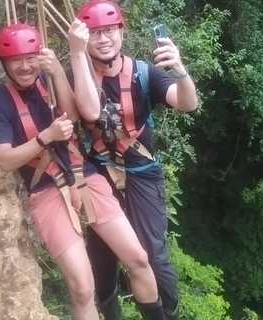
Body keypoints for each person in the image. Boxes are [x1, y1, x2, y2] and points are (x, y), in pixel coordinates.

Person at [0, 21, 167, 320]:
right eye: (15, 60)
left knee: (139, 259)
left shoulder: (50, 78)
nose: (25, 66)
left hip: (84, 174)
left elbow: (75, 114)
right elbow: (5, 160)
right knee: (82, 288)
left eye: (30, 58)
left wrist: (56, 71)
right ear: (4, 63)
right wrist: (45, 137)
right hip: (45, 189)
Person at [73, 1, 198, 319]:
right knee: (101, 254)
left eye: (110, 30)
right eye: (95, 33)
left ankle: (168, 314)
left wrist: (180, 71)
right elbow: (86, 112)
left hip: (142, 170)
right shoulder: (77, 76)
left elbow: (186, 103)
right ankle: (111, 309)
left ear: (121, 32)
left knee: (152, 255)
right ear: (84, 38)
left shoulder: (145, 74)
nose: (103, 39)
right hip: (99, 173)